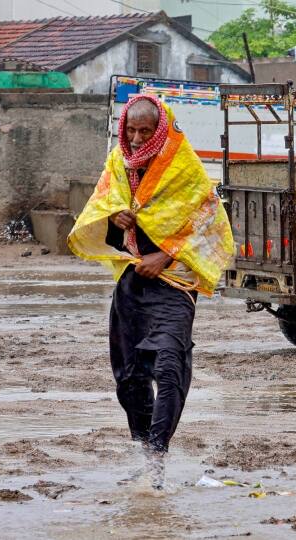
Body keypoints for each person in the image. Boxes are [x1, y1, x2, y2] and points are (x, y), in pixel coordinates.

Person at [68, 95, 234, 488]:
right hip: (131, 281)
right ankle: (144, 453)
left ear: (161, 128)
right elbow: (100, 215)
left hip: (174, 283)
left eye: (146, 131)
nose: (138, 138)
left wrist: (165, 254)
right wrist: (115, 217)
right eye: (131, 130)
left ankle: (159, 454)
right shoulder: (118, 164)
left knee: (169, 366)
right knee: (129, 376)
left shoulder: (184, 167)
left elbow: (211, 226)